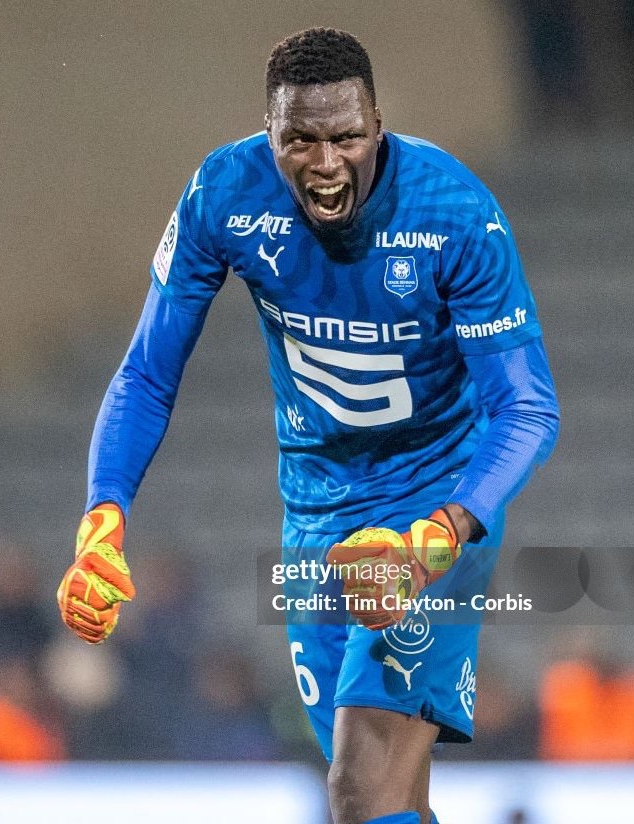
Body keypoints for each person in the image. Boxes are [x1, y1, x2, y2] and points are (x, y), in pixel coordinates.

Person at [56, 28, 559, 824]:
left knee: (360, 788)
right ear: (269, 135)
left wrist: (437, 537)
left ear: (379, 127)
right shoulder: (223, 194)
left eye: (346, 137)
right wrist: (102, 517)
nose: (326, 164)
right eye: (300, 140)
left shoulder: (454, 211)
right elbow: (147, 372)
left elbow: (528, 408)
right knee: (383, 802)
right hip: (315, 517)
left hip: (434, 509)